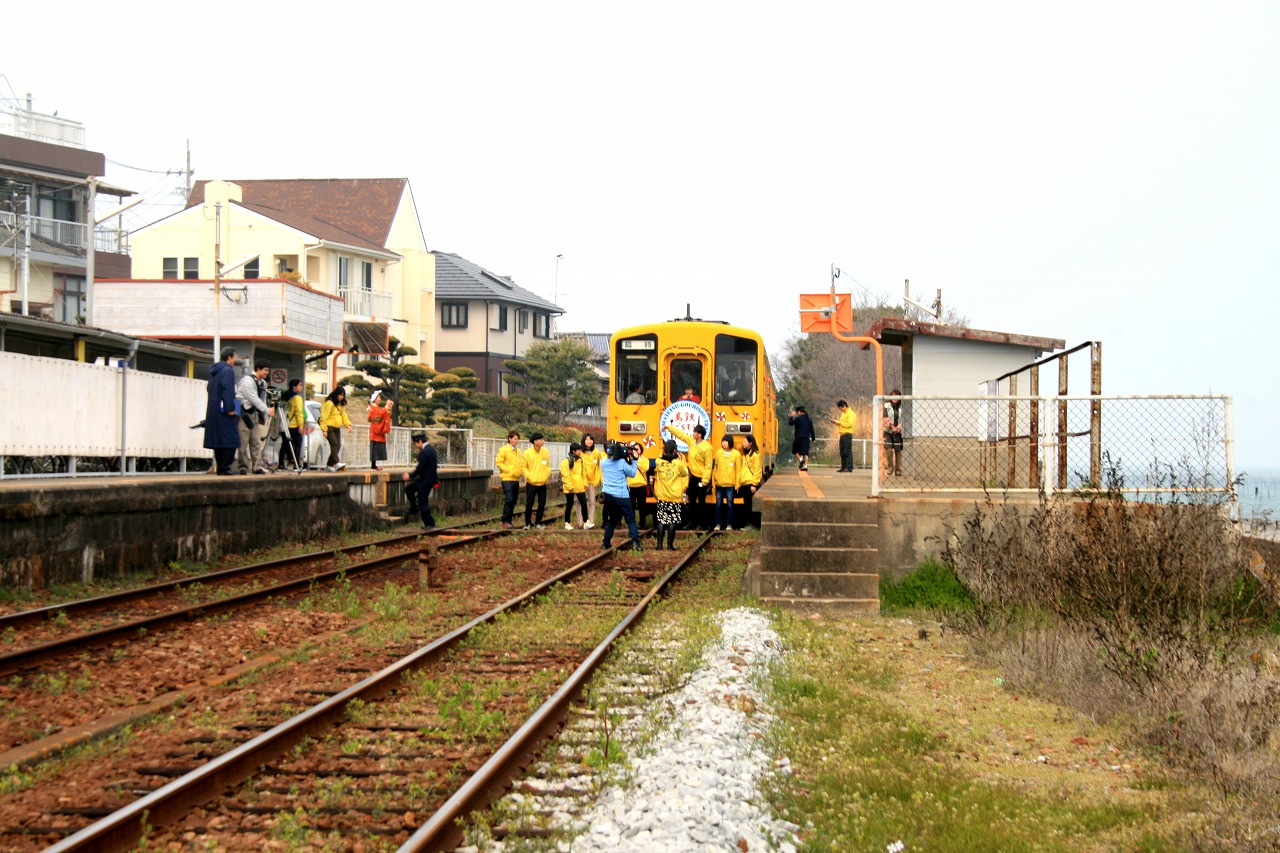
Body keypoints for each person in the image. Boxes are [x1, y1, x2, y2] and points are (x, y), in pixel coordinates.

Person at [665, 423, 713, 529]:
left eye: (695, 432)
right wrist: (669, 428)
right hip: (693, 477)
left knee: (701, 501)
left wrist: (705, 480)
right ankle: (692, 522)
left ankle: (702, 524)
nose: (693, 433)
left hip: (702, 478)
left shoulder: (707, 448)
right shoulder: (692, 442)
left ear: (699, 434)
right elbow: (681, 435)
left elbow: (708, 465)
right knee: (691, 500)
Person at [203, 347, 241, 476]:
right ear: (229, 357)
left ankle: (221, 466)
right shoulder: (227, 371)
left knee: (218, 440)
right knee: (231, 439)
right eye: (234, 357)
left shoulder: (214, 371)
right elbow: (227, 389)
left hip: (213, 409)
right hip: (225, 410)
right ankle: (225, 467)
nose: (235, 360)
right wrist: (230, 408)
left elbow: (209, 388)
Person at [600, 440, 642, 552]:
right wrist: (634, 460)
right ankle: (636, 543)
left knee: (612, 520)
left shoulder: (603, 462)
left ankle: (606, 542)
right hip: (622, 495)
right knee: (630, 520)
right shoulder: (622, 463)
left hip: (608, 495)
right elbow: (632, 473)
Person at [235, 358, 275, 475]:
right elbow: (254, 399)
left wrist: (263, 414)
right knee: (243, 441)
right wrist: (267, 410)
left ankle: (257, 466)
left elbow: (262, 399)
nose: (267, 373)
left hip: (254, 414)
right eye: (265, 370)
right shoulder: (248, 381)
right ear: (258, 369)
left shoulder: (262, 383)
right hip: (244, 414)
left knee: (256, 441)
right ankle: (243, 466)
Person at [653, 439, 689, 550]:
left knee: (661, 520)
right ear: (675, 451)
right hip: (674, 497)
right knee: (672, 520)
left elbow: (660, 459)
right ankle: (669, 545)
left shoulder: (658, 462)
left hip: (662, 496)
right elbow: (685, 473)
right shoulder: (678, 464)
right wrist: (679, 459)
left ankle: (659, 545)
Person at [402, 433, 439, 528]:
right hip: (426, 480)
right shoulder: (430, 449)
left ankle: (430, 523)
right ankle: (414, 508)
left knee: (423, 501)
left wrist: (410, 475)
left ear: (420, 442)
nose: (416, 446)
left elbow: (420, 468)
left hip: (425, 481)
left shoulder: (425, 452)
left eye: (416, 443)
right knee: (409, 489)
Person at [712, 434, 742, 531]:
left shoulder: (736, 454)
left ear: (730, 442)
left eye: (726, 441)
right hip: (719, 484)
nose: (724, 443)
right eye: (723, 441)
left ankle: (729, 524)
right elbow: (715, 466)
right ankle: (718, 524)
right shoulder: (719, 453)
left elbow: (738, 470)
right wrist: (714, 479)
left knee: (730, 504)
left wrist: (738, 484)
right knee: (718, 504)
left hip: (731, 484)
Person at [522, 432, 551, 528]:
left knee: (542, 503)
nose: (543, 441)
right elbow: (523, 467)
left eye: (543, 439)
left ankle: (538, 522)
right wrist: (529, 476)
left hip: (542, 483)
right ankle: (528, 523)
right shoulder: (527, 453)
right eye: (541, 440)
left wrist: (546, 475)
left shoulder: (545, 452)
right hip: (531, 483)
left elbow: (547, 465)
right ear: (535, 441)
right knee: (529, 503)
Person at [495, 430, 523, 529]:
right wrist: (508, 470)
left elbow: (520, 463)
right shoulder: (504, 450)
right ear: (510, 439)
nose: (516, 440)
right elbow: (499, 462)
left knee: (513, 500)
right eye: (515, 438)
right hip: (507, 478)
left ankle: (509, 521)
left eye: (517, 439)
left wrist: (520, 472)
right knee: (509, 499)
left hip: (516, 478)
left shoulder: (518, 451)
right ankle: (505, 521)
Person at [319, 388, 353, 471]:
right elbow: (323, 417)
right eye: (340, 395)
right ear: (336, 394)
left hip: (337, 428)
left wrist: (348, 424)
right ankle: (337, 462)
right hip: (329, 427)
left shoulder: (340, 405)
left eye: (343, 395)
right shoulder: (329, 403)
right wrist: (324, 429)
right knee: (334, 444)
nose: (342, 397)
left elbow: (343, 415)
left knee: (338, 446)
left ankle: (330, 464)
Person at [560, 443, 589, 529]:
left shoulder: (580, 461)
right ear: (573, 451)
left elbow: (583, 473)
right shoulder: (566, 461)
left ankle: (586, 521)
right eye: (578, 450)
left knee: (584, 503)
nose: (580, 451)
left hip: (580, 486)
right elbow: (565, 475)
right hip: (570, 488)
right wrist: (570, 486)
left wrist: (585, 484)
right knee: (569, 504)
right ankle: (567, 523)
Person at [627, 441, 655, 531]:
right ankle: (632, 523)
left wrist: (637, 460)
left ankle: (642, 523)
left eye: (637, 449)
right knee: (630, 506)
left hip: (641, 486)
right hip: (630, 485)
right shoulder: (628, 460)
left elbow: (645, 468)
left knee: (641, 506)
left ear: (641, 450)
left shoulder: (644, 460)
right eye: (634, 449)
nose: (636, 451)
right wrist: (632, 459)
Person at [736, 434, 762, 529]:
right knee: (747, 505)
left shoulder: (755, 455)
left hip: (751, 484)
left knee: (751, 505)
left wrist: (754, 484)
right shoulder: (746, 455)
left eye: (744, 441)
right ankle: (749, 524)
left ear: (750, 443)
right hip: (745, 483)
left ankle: (754, 525)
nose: (742, 443)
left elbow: (757, 470)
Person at [579, 434, 603, 529]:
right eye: (587, 439)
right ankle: (581, 522)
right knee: (580, 502)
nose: (589, 441)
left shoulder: (597, 452)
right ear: (583, 441)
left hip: (592, 481)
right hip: (581, 481)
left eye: (591, 439)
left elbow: (600, 466)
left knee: (592, 501)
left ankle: (591, 521)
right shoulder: (580, 452)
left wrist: (599, 479)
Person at [282, 379, 306, 470]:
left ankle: (281, 464)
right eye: (299, 385)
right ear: (294, 387)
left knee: (284, 445)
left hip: (285, 424)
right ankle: (297, 465)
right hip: (294, 425)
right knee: (298, 445)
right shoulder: (297, 398)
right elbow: (299, 412)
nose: (301, 387)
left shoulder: (286, 397)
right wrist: (301, 425)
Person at [367, 390, 393, 470]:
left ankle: (374, 464)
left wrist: (387, 408)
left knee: (376, 447)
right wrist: (386, 408)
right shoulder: (372, 408)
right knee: (375, 447)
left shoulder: (376, 408)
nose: (380, 399)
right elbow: (377, 417)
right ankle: (373, 464)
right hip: (375, 430)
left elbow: (382, 414)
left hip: (377, 429)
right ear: (374, 399)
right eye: (378, 397)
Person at [830, 399, 857, 472]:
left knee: (847, 451)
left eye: (841, 408)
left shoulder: (851, 414)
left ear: (844, 406)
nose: (840, 410)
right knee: (842, 451)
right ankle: (844, 466)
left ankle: (849, 467)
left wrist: (839, 423)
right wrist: (837, 423)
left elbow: (849, 424)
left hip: (847, 434)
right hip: (842, 434)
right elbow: (843, 423)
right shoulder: (844, 413)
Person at [882, 388, 904, 476]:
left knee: (898, 451)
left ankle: (898, 469)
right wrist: (892, 427)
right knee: (889, 450)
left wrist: (899, 427)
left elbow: (905, 417)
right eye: (893, 396)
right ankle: (890, 467)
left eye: (897, 396)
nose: (894, 398)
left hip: (899, 432)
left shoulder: (903, 406)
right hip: (888, 431)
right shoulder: (886, 406)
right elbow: (884, 417)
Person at [788, 405, 816, 471]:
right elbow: (812, 429)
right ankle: (805, 466)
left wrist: (791, 416)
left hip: (798, 437)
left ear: (799, 412)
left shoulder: (798, 418)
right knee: (805, 453)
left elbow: (790, 423)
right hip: (806, 438)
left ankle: (800, 459)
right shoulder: (809, 419)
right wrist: (813, 438)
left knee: (795, 450)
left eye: (797, 413)